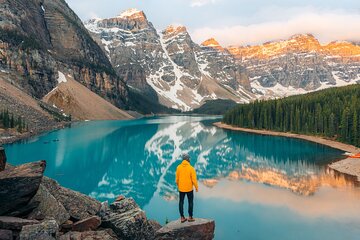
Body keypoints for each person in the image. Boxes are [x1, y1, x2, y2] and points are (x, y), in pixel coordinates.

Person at [175, 153, 198, 223]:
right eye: (189, 158)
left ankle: (182, 217)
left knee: (181, 202)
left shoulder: (178, 167)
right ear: (187, 159)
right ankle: (190, 217)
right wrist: (196, 187)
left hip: (181, 189)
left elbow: (177, 179)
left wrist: (179, 185)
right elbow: (194, 180)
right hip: (189, 189)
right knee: (190, 202)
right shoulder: (191, 168)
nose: (190, 159)